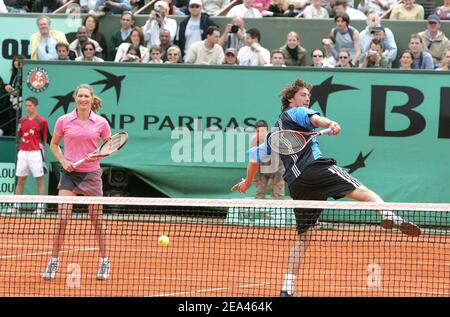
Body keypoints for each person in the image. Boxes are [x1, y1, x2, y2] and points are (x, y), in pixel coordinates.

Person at [231, 78, 421, 297]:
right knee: (364, 192)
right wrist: (330, 123)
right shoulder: (296, 112)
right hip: (315, 169)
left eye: (308, 96)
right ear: (291, 99)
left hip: (298, 185)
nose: (307, 98)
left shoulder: (274, 133)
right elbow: (316, 118)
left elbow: (255, 159)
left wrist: (246, 182)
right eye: (303, 95)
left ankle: (287, 288)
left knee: (303, 239)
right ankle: (390, 216)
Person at [42, 84, 111, 281]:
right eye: (80, 96)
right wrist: (64, 161)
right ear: (75, 98)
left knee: (97, 220)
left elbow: (109, 146)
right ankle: (53, 261)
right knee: (62, 219)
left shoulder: (101, 123)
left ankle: (104, 261)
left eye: (86, 96)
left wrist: (97, 154)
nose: (83, 99)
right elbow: (54, 144)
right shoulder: (64, 120)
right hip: (69, 175)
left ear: (91, 98)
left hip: (92, 175)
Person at [8, 97, 48, 214]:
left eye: (30, 106)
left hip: (36, 153)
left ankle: (40, 207)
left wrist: (40, 150)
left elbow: (44, 138)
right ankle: (16, 206)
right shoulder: (22, 120)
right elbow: (19, 135)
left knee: (39, 180)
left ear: (35, 106)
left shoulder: (42, 121)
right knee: (20, 180)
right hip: (23, 153)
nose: (27, 108)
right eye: (26, 106)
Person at [251, 120, 285, 200]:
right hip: (262, 172)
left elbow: (281, 161)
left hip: (277, 171)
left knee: (279, 197)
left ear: (267, 130)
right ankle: (262, 212)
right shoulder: (254, 141)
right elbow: (254, 161)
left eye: (263, 131)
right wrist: (257, 178)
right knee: (259, 196)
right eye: (258, 131)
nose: (261, 133)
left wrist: (280, 179)